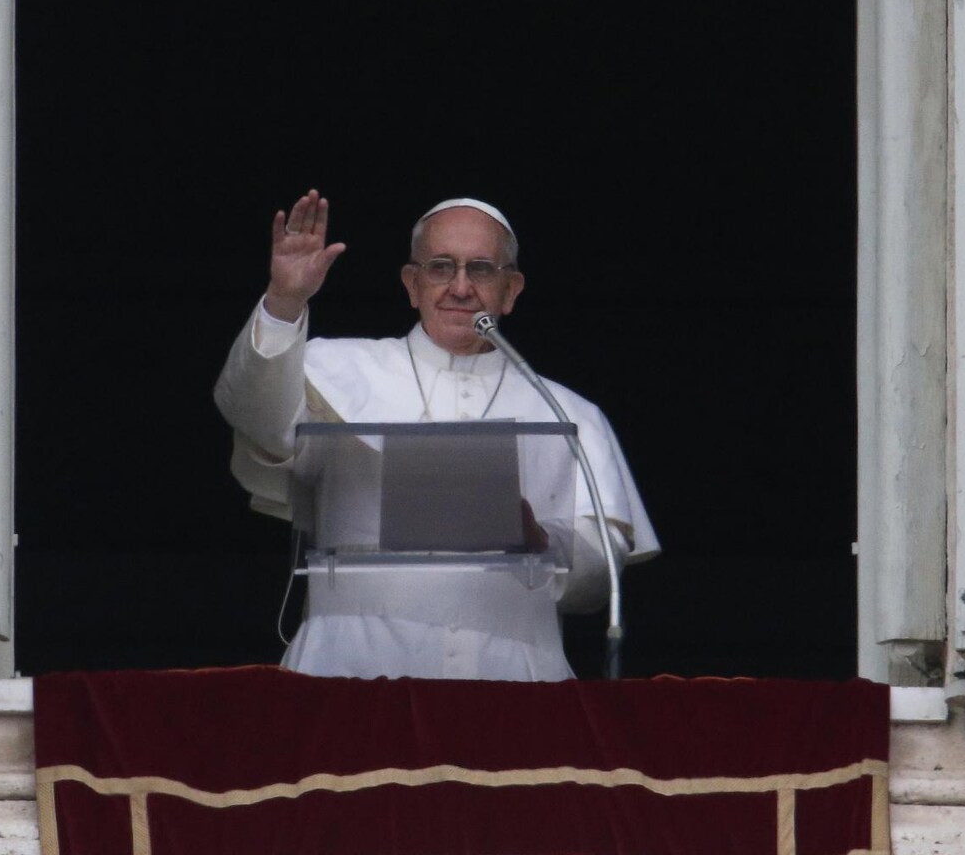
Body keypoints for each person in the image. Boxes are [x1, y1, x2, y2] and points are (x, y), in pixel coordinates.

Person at [214, 190, 659, 681]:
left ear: (511, 290)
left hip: (514, 677)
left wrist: (542, 540)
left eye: (482, 269)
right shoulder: (333, 370)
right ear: (412, 284)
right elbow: (256, 417)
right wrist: (284, 302)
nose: (461, 287)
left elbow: (601, 577)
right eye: (441, 267)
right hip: (348, 667)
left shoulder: (567, 411)